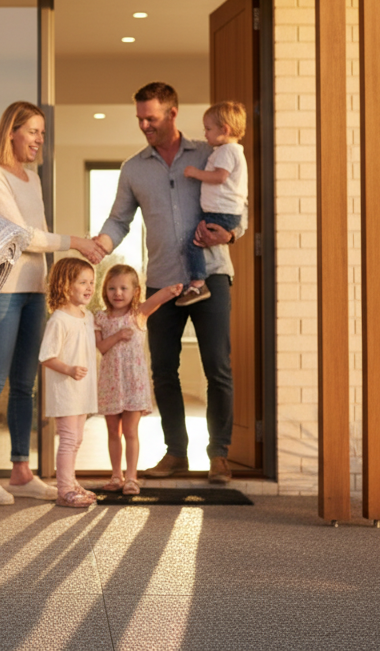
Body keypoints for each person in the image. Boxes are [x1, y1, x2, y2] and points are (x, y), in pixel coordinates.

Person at [93, 82, 246, 484]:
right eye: (140, 118)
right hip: (162, 281)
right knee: (163, 370)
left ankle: (219, 454)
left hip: (211, 274)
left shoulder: (210, 154)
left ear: (172, 114)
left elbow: (238, 205)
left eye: (151, 118)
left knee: (218, 366)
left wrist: (230, 235)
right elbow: (119, 219)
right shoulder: (134, 168)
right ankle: (176, 453)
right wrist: (100, 245)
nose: (144, 124)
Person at [0, 101, 103, 505]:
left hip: (34, 290)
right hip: (2, 290)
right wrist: (75, 241)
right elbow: (23, 235)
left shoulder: (33, 179)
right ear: (12, 131)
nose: (39, 139)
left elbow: (39, 233)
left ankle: (22, 471)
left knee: (25, 385)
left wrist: (62, 266)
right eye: (33, 131)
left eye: (42, 132)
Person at [94, 264, 183, 495]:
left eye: (124, 288)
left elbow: (157, 300)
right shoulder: (100, 318)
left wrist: (173, 289)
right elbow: (101, 347)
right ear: (105, 291)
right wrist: (117, 336)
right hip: (110, 384)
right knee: (113, 432)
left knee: (130, 432)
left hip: (133, 384)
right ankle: (116, 476)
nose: (118, 293)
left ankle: (131, 478)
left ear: (135, 291)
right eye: (112, 288)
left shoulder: (138, 315)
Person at [38, 256, 100, 509]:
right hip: (65, 390)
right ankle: (63, 490)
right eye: (82, 282)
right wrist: (69, 369)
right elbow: (46, 357)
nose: (89, 287)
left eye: (91, 282)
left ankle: (71, 483)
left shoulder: (87, 316)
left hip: (82, 390)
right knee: (68, 438)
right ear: (65, 285)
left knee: (77, 439)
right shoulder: (59, 320)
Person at [176, 101, 249, 307]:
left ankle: (198, 284)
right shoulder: (231, 151)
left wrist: (194, 173)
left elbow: (220, 176)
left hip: (222, 213)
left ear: (224, 130)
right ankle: (198, 282)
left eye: (208, 129)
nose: (205, 134)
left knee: (193, 243)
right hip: (224, 212)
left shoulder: (227, 151)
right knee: (196, 240)